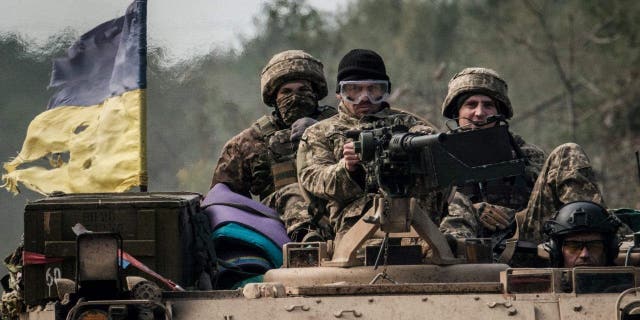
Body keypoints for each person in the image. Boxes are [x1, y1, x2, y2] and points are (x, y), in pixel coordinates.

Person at [438, 68, 609, 262]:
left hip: (524, 243)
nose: (479, 113)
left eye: (488, 105)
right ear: (456, 112)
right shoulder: (437, 156)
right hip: (463, 250)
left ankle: (600, 243)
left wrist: (515, 218)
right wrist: (473, 210)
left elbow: (548, 209)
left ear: (499, 113)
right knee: (458, 201)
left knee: (568, 152)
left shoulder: (527, 155)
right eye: (471, 104)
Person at [297, 48, 443, 243]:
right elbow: (312, 179)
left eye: (373, 89)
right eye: (354, 89)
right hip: (356, 235)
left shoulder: (408, 124)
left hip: (420, 228)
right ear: (340, 93)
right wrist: (348, 168)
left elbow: (437, 149)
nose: (364, 97)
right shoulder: (320, 133)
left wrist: (410, 147)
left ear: (385, 90)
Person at [210, 50, 336, 241]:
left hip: (338, 218)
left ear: (315, 93)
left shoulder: (339, 127)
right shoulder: (248, 143)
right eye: (286, 92)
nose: (295, 98)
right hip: (275, 231)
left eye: (303, 90)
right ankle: (305, 237)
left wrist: (320, 133)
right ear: (274, 98)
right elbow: (223, 202)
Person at [542, 201, 621, 267]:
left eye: (594, 246)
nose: (584, 255)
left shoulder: (629, 284)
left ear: (608, 251)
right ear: (558, 252)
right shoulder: (544, 284)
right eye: (573, 247)